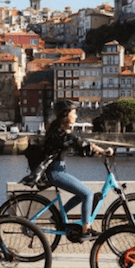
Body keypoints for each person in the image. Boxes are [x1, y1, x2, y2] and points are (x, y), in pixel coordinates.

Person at [41, 99, 113, 240]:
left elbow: (82, 144)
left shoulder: (59, 130)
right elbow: (82, 144)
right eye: (74, 113)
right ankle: (86, 229)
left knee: (82, 194)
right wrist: (104, 152)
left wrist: (97, 150)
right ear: (66, 114)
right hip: (56, 173)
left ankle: (58, 216)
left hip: (58, 170)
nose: (76, 116)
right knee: (87, 194)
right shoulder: (62, 133)